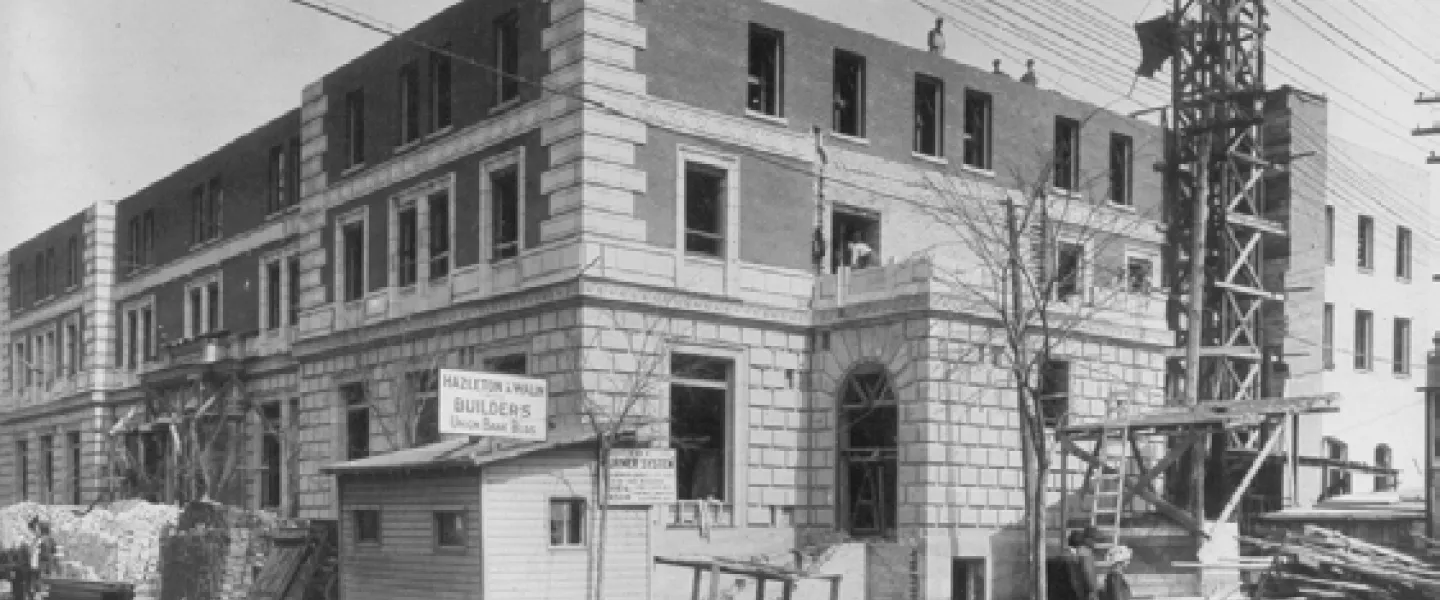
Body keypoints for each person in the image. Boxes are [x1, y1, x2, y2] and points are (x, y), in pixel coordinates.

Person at [1066, 527, 1101, 600]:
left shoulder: (1076, 553)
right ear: (1086, 539)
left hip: (1076, 592)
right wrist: (1093, 591)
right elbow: (1088, 573)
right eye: (1094, 539)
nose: (1095, 543)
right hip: (1085, 594)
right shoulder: (1085, 553)